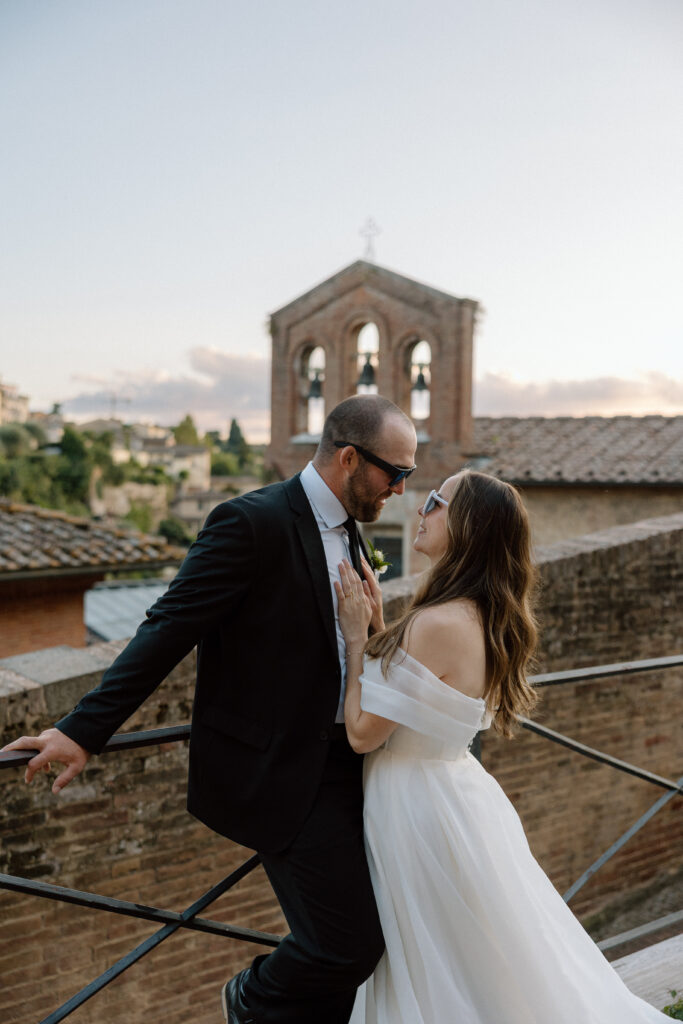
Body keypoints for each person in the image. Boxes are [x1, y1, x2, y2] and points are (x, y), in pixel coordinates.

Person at [1, 394, 418, 1024]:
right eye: (397, 473)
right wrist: (83, 731)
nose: (401, 489)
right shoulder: (251, 522)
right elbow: (168, 628)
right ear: (350, 458)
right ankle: (250, 1000)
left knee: (378, 936)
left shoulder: (354, 533)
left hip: (349, 766)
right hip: (280, 770)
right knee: (348, 945)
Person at [335, 469, 671, 1024]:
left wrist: (354, 641)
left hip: (414, 807)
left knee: (435, 957)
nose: (424, 508)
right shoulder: (481, 616)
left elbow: (361, 733)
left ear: (467, 526)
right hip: (452, 794)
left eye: (438, 502)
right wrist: (379, 626)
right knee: (478, 959)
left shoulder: (438, 622)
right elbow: (420, 690)